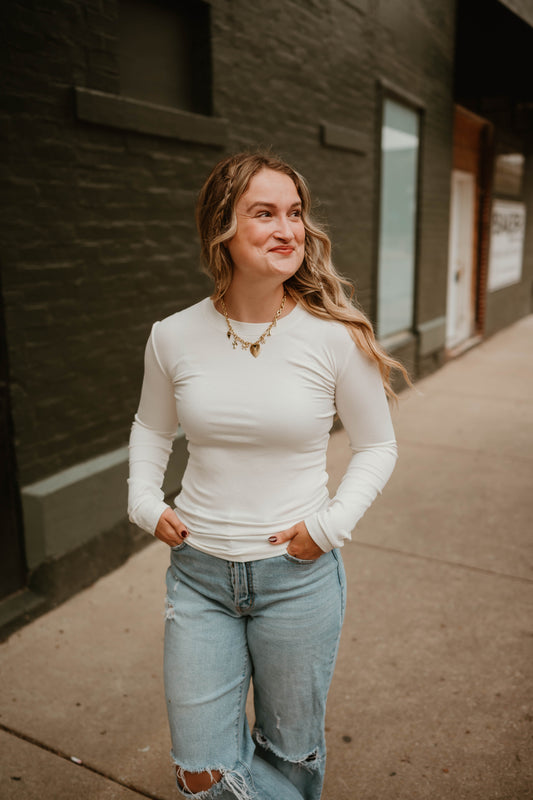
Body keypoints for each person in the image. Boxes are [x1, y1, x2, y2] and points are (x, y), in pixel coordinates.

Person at [127, 152, 406, 800]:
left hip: (297, 577)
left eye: (295, 214)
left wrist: (330, 526)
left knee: (289, 756)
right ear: (220, 227)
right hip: (198, 575)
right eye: (264, 213)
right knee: (200, 773)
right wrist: (144, 502)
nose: (288, 229)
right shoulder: (172, 336)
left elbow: (376, 445)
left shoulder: (333, 337)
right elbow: (150, 429)